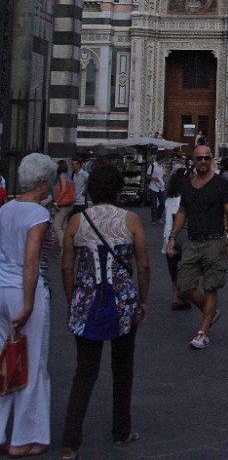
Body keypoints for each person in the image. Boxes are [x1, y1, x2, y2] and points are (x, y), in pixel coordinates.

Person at [61, 164, 149, 458]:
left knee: (84, 373)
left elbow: (66, 267)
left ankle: (70, 442)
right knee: (123, 370)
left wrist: (72, 299)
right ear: (117, 190)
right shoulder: (131, 220)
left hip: (86, 303)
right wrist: (143, 300)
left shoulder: (76, 222)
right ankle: (121, 431)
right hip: (123, 303)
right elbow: (143, 265)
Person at [0, 153, 56, 457]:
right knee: (32, 364)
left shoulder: (5, 209)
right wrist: (29, 302)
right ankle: (24, 437)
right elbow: (31, 261)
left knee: (4, 361)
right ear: (43, 182)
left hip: (0, 291)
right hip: (23, 293)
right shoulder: (38, 214)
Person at [166, 144, 228, 349]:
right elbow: (182, 212)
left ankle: (203, 332)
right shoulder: (188, 184)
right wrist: (172, 237)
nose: (203, 161)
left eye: (207, 158)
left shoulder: (221, 184)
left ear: (211, 159)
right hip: (193, 241)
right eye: (199, 158)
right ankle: (210, 311)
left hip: (215, 241)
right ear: (193, 160)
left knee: (210, 286)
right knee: (184, 286)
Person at [162, 169, 190, 310]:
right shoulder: (184, 200)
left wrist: (167, 242)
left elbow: (168, 223)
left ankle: (175, 297)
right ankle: (183, 296)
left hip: (169, 240)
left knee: (174, 272)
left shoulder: (169, 201)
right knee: (185, 270)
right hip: (183, 239)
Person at [52, 159, 74, 251]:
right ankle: (67, 247)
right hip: (69, 203)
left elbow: (63, 190)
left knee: (56, 226)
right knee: (64, 227)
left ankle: (63, 247)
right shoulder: (68, 175)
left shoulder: (62, 176)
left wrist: (57, 201)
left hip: (63, 204)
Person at [147, 153, 166, 226]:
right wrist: (153, 178)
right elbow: (147, 176)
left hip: (161, 187)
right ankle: (154, 219)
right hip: (153, 187)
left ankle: (158, 216)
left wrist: (165, 180)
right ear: (161, 159)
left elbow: (163, 175)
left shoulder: (163, 166)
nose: (165, 160)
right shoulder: (152, 166)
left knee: (163, 203)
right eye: (164, 159)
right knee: (154, 204)